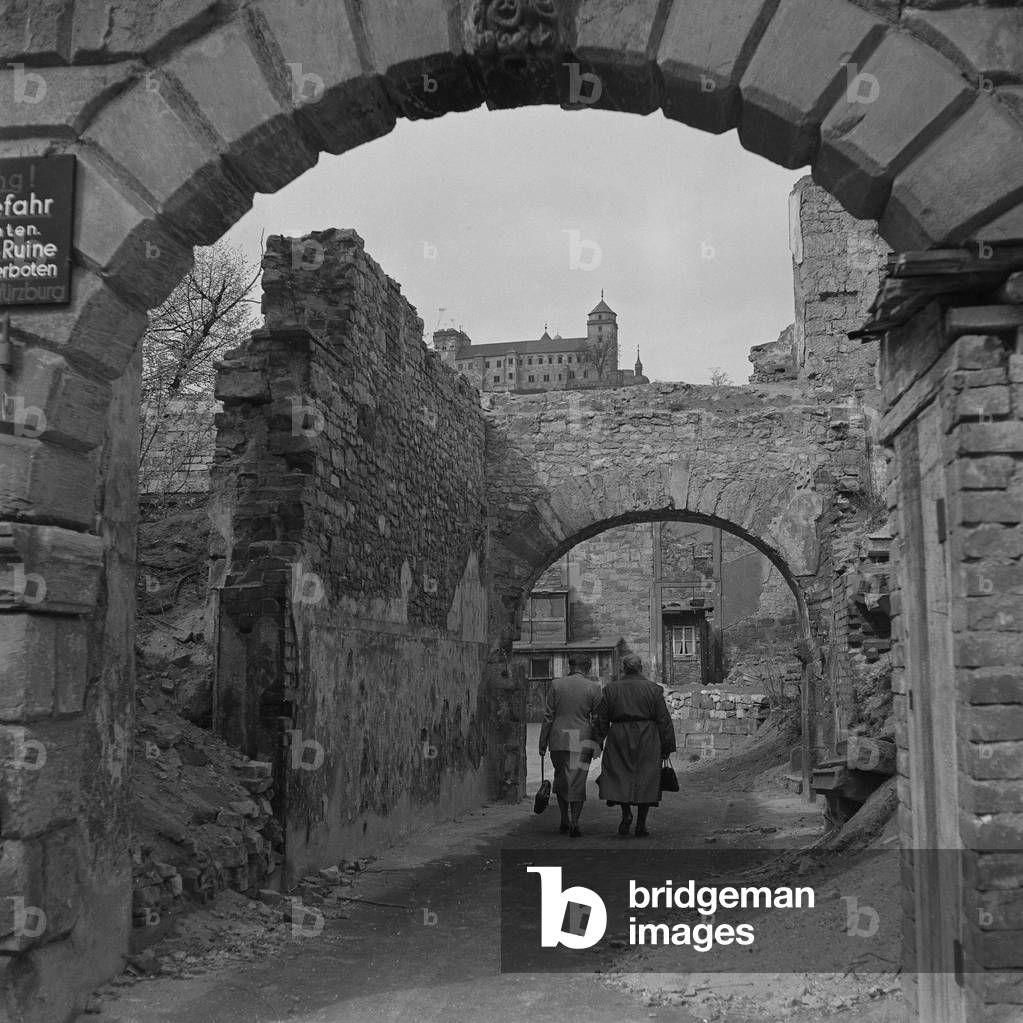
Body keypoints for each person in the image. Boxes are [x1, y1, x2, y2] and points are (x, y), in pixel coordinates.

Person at [595, 653, 676, 837]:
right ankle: (641, 824)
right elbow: (663, 719)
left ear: (624, 668)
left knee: (619, 775)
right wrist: (667, 746)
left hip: (619, 736)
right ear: (641, 668)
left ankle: (626, 813)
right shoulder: (653, 689)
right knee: (647, 777)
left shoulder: (610, 689)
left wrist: (597, 741)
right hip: (647, 736)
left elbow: (602, 719)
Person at [538, 652, 603, 838]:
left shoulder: (556, 685)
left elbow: (548, 716)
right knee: (578, 781)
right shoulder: (593, 687)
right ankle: (575, 821)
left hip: (558, 738)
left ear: (570, 666)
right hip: (581, 739)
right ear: (588, 667)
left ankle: (563, 819)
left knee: (561, 779)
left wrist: (542, 742)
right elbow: (597, 719)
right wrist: (598, 743)